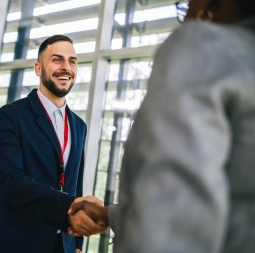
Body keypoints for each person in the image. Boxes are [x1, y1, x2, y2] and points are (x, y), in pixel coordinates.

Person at [68, 0, 255, 252]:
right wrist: (110, 215)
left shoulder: (202, 47)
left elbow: (173, 221)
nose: (186, 16)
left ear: (207, 9)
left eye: (187, 5)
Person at [0, 35, 87, 253]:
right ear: (38, 68)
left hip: (62, 245)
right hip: (15, 242)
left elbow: (76, 184)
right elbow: (10, 183)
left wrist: (76, 243)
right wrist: (70, 207)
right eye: (57, 60)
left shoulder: (79, 125)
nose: (66, 67)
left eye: (72, 61)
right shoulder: (8, 117)